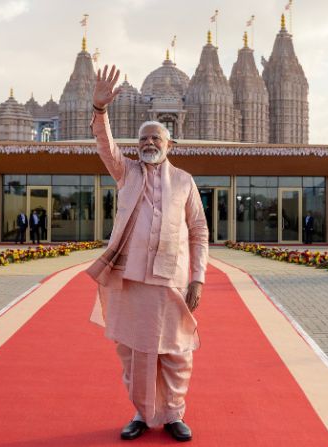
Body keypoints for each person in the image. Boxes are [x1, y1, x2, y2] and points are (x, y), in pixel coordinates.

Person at [86, 65, 208, 442]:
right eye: (144, 139)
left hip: (170, 277)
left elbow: (199, 230)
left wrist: (198, 277)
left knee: (175, 350)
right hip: (130, 277)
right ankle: (141, 413)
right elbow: (105, 146)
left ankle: (173, 415)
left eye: (156, 138)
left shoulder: (185, 182)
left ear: (169, 144)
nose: (150, 144)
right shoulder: (127, 172)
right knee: (134, 352)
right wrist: (100, 109)